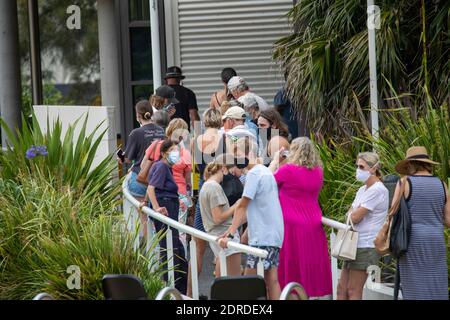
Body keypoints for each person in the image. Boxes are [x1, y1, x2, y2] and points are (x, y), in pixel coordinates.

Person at [219, 137, 284, 300]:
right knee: (271, 280)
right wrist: (236, 231)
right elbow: (255, 208)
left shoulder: (254, 174)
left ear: (249, 153)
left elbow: (242, 206)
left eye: (238, 154)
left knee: (249, 281)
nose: (236, 160)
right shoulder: (264, 171)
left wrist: (230, 232)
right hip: (273, 235)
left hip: (263, 236)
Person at [269, 137, 332, 299]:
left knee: (291, 266)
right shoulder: (318, 172)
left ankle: (290, 295)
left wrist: (276, 161)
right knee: (307, 264)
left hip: (290, 224)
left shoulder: (288, 170)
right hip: (313, 223)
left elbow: (267, 182)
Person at [392, 146, 449, 300]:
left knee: (414, 285)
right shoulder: (442, 184)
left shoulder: (404, 183)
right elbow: (448, 220)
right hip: (436, 239)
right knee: (435, 283)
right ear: (427, 163)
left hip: (412, 240)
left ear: (410, 164)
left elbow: (393, 213)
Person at [337, 152, 388, 300]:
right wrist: (353, 213)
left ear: (373, 169)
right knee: (342, 289)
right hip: (353, 244)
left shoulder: (378, 190)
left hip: (366, 245)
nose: (358, 170)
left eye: (361, 167)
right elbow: (349, 215)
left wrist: (354, 212)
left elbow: (355, 217)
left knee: (353, 290)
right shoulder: (362, 190)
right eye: (357, 166)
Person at [187, 108, 223, 297]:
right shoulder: (225, 140)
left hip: (203, 186)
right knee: (223, 244)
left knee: (198, 245)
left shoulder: (195, 141)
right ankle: (222, 294)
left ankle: (190, 293)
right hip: (220, 187)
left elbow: (195, 166)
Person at [146, 139, 188, 294]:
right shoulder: (162, 166)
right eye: (172, 150)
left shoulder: (165, 167)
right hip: (165, 207)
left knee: (174, 247)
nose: (176, 153)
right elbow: (151, 188)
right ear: (164, 153)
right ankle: (173, 289)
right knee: (170, 247)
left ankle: (178, 289)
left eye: (177, 150)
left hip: (170, 205)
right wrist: (156, 207)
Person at [199, 160, 242, 277]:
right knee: (234, 278)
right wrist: (236, 206)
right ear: (223, 169)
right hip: (224, 234)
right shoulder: (214, 187)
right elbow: (218, 218)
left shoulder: (206, 185)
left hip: (216, 234)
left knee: (222, 276)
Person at [123, 100, 165, 199]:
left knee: (142, 212)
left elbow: (128, 159)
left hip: (140, 177)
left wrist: (121, 158)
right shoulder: (161, 131)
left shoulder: (136, 133)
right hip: (158, 177)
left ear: (138, 115)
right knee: (156, 211)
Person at [165, 118, 192, 255]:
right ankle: (181, 264)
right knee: (180, 230)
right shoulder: (184, 153)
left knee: (163, 229)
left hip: (163, 193)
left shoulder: (162, 148)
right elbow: (188, 178)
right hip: (180, 193)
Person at [164, 66, 200, 130]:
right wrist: (198, 134)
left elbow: (154, 116)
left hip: (166, 134)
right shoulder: (189, 93)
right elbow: (194, 115)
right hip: (183, 133)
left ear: (167, 79)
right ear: (180, 78)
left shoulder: (159, 94)